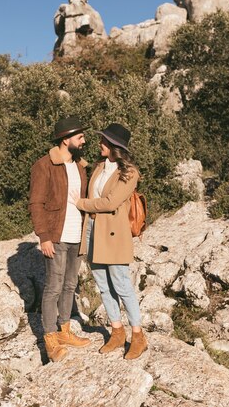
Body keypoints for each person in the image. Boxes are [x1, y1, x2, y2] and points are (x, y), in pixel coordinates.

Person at [68, 122, 147, 360]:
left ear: (114, 146)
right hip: (93, 229)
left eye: (104, 140)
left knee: (121, 283)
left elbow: (111, 202)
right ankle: (116, 331)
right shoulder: (99, 166)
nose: (99, 144)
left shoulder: (129, 172)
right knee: (102, 284)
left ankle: (138, 335)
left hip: (113, 234)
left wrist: (81, 204)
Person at [29, 117, 92, 362]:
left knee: (69, 285)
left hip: (77, 235)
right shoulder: (44, 165)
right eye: (80, 137)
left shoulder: (80, 166)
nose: (84, 140)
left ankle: (65, 330)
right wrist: (44, 236)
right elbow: (36, 203)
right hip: (56, 236)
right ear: (66, 140)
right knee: (53, 287)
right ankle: (50, 339)